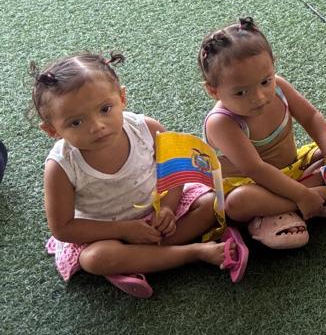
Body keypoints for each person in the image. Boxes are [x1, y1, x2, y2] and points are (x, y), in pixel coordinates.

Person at [36, 51, 247, 299]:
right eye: (76, 123)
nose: (97, 126)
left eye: (105, 109)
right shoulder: (61, 166)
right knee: (96, 258)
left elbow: (175, 173)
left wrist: (167, 208)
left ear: (122, 98)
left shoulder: (146, 128)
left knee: (212, 203)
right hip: (105, 232)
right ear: (52, 130)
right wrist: (123, 230)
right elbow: (63, 228)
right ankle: (193, 252)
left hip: (157, 214)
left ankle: (138, 260)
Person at [199, 17, 326, 250]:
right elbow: (256, 169)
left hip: (294, 169)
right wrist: (302, 195)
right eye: (241, 92)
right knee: (237, 202)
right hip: (254, 185)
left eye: (265, 82)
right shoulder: (221, 123)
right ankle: (321, 195)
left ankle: (294, 203)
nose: (259, 97)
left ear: (273, 66)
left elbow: (311, 117)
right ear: (213, 91)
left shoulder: (280, 88)